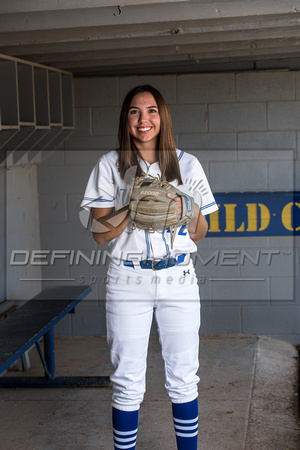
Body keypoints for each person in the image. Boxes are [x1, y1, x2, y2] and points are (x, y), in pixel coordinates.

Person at [81, 85, 218, 449]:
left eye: (152, 111)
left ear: (163, 117)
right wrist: (132, 206)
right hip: (127, 279)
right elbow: (98, 233)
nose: (144, 120)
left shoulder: (187, 164)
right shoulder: (110, 165)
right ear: (126, 119)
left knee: (184, 377)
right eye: (135, 112)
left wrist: (188, 211)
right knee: (127, 381)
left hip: (179, 277)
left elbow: (202, 232)